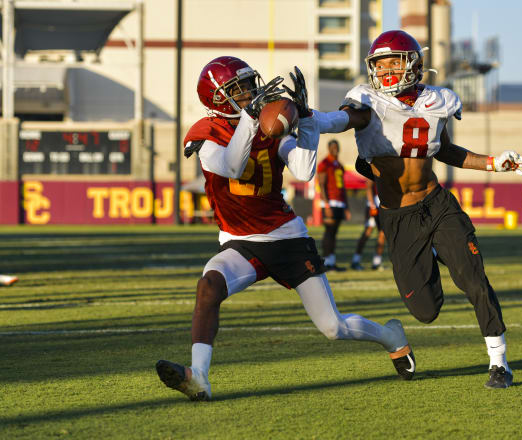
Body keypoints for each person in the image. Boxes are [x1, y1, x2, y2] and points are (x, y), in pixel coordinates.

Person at [155, 57, 416, 402]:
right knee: (209, 286)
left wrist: (306, 121)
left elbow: (304, 170)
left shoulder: (266, 128)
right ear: (218, 100)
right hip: (241, 242)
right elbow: (232, 166)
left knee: (332, 327)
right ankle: (198, 377)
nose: (250, 93)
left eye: (249, 84)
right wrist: (250, 121)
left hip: (287, 238)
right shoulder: (206, 134)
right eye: (239, 89)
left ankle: (390, 336)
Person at [308, 30, 522, 389]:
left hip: (437, 203)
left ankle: (499, 363)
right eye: (378, 65)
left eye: (392, 63)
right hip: (399, 218)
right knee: (425, 311)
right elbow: (341, 120)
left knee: (473, 277)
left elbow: (445, 150)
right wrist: (312, 119)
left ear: (413, 64)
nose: (384, 72)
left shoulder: (438, 99)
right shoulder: (366, 101)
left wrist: (493, 163)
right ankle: (429, 257)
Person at [316, 139, 350, 271]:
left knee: (334, 233)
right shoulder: (325, 163)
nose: (335, 149)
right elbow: (322, 184)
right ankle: (325, 262)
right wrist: (326, 204)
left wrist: (346, 206)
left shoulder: (339, 165)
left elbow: (343, 187)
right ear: (329, 148)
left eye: (337, 147)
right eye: (333, 147)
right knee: (329, 232)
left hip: (340, 201)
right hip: (330, 202)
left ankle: (331, 261)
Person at [351, 179, 386, 271]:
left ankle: (376, 262)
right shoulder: (374, 168)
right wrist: (372, 205)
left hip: (383, 205)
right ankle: (356, 260)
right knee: (367, 233)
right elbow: (368, 187)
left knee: (382, 234)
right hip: (374, 206)